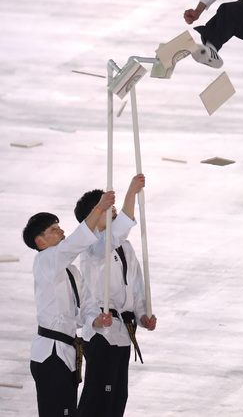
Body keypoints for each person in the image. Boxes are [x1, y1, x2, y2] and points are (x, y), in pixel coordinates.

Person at [22, 191, 115, 417]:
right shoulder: (44, 261)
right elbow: (74, 244)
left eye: (59, 226)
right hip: (51, 354)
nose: (61, 231)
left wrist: (96, 318)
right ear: (40, 241)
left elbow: (87, 304)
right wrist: (99, 209)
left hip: (67, 352)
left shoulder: (70, 270)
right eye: (54, 229)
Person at [73, 174, 157, 417]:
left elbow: (137, 288)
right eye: (105, 209)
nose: (113, 212)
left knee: (117, 398)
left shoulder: (125, 248)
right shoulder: (93, 248)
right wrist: (131, 192)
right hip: (102, 333)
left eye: (112, 207)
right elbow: (117, 233)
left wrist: (143, 315)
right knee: (97, 400)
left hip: (123, 333)